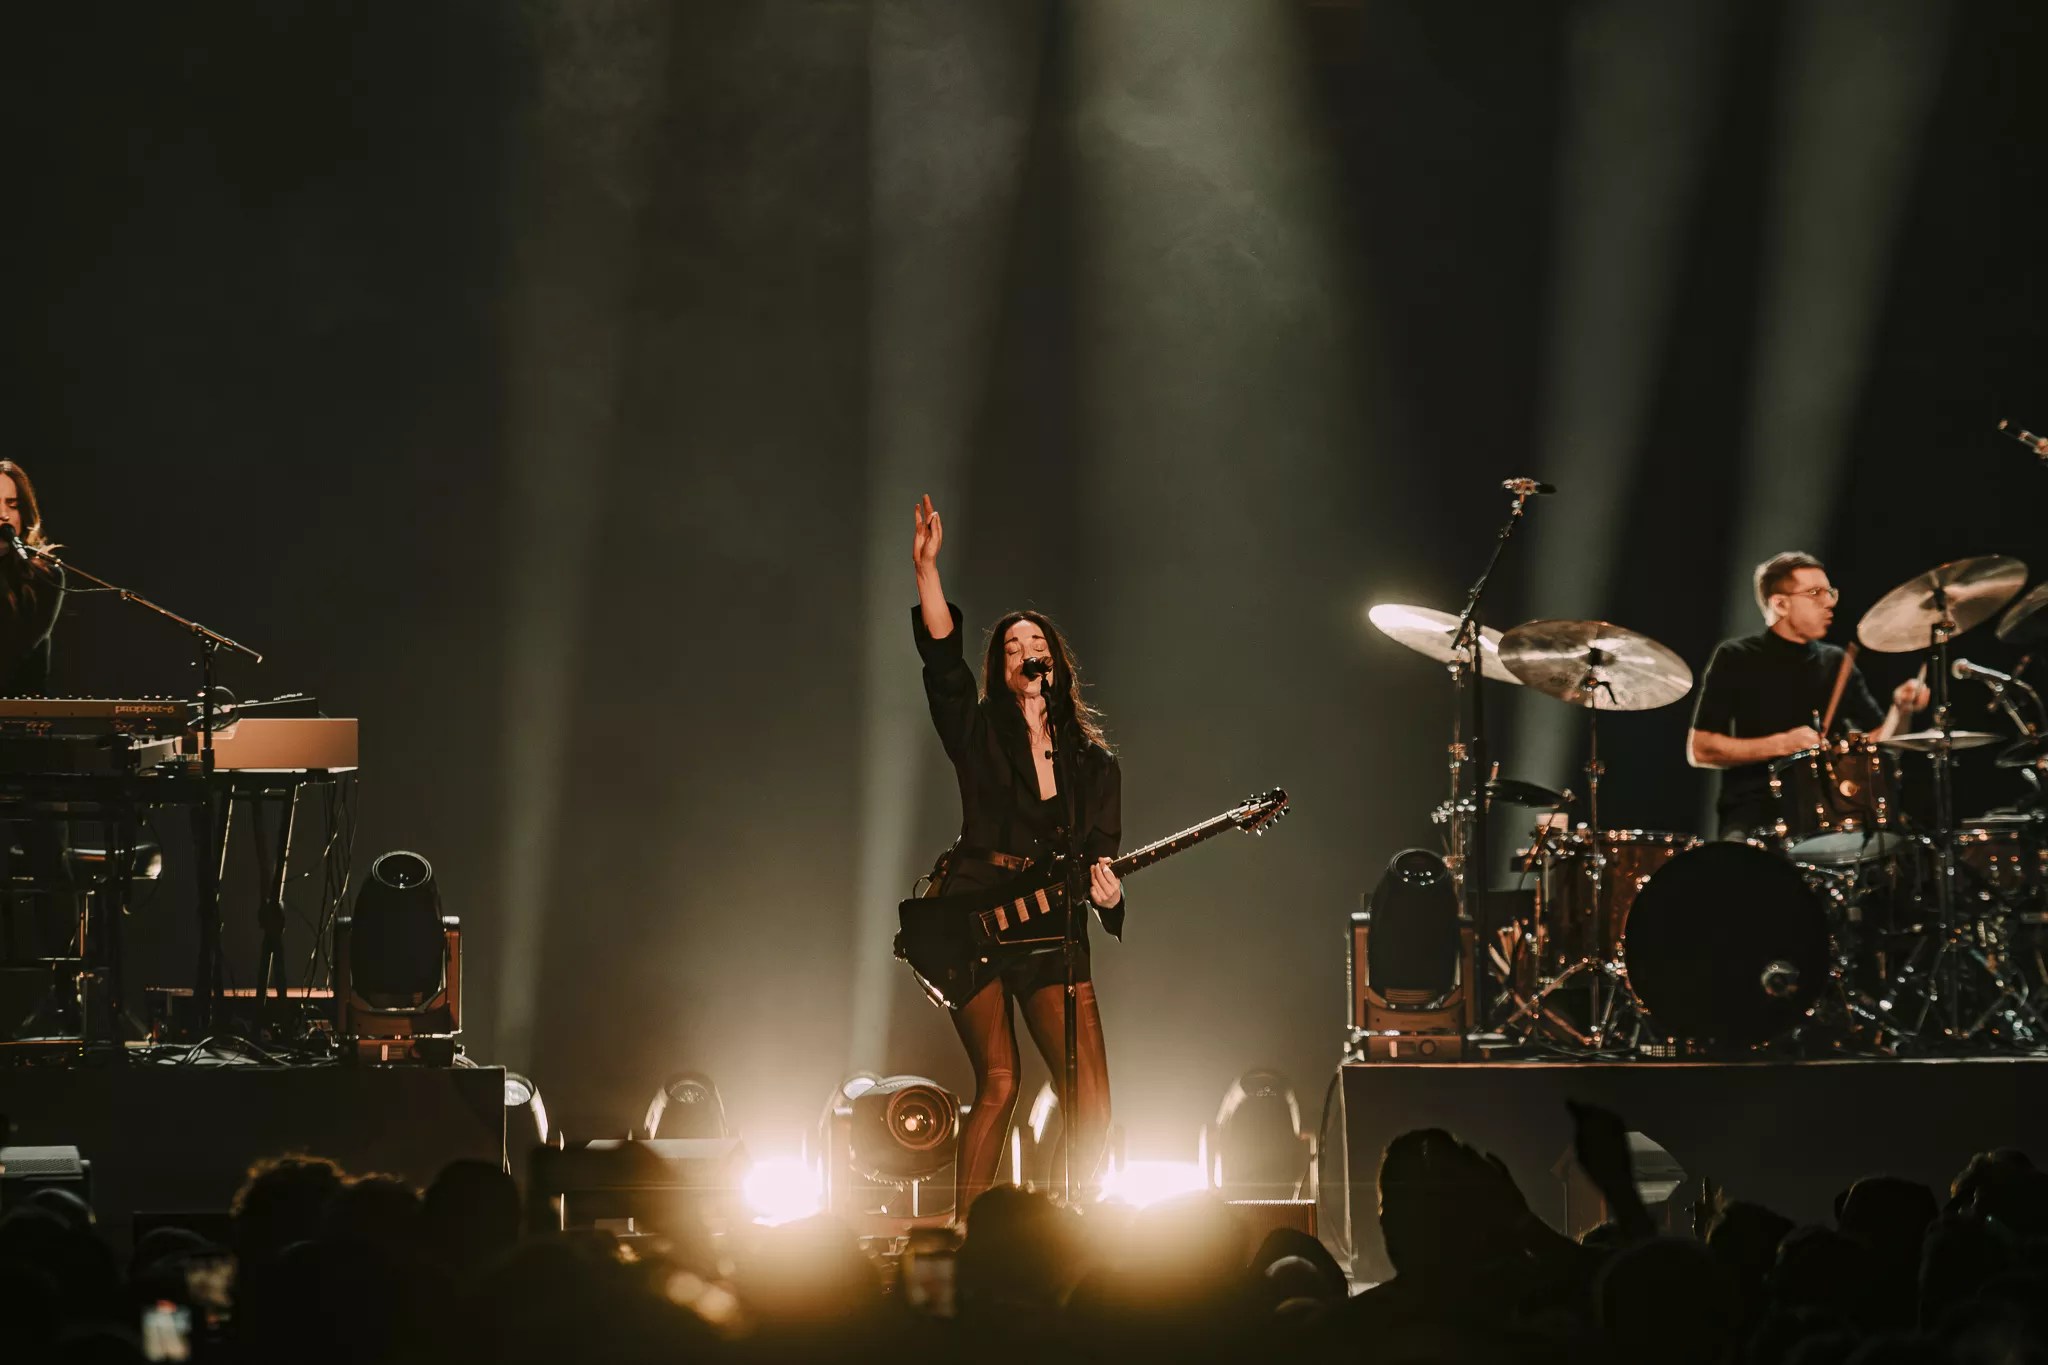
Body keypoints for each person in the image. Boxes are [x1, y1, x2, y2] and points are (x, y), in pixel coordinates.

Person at [905, 493, 1119, 1214]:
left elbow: (1099, 857)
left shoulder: (1093, 765)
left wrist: (1109, 889)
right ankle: (968, 1234)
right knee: (1000, 1081)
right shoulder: (978, 732)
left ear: (1057, 662)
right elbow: (942, 665)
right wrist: (928, 572)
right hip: (974, 915)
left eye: (1037, 644)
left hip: (1052, 924)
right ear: (1001, 667)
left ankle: (1072, 1225)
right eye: (1012, 645)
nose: (1026, 651)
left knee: (1090, 1095)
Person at [1687, 551, 1929, 838]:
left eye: (1830, 593)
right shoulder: (1736, 657)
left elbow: (1881, 742)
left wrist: (1899, 709)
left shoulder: (1837, 662)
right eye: (1815, 593)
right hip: (1755, 810)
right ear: (1780, 603)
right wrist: (1782, 743)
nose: (1829, 603)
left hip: (1833, 810)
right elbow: (1701, 749)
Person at [0, 460, 62, 696]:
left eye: (12, 505)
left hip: (18, 713)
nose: (3, 514)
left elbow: (13, 652)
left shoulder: (43, 575)